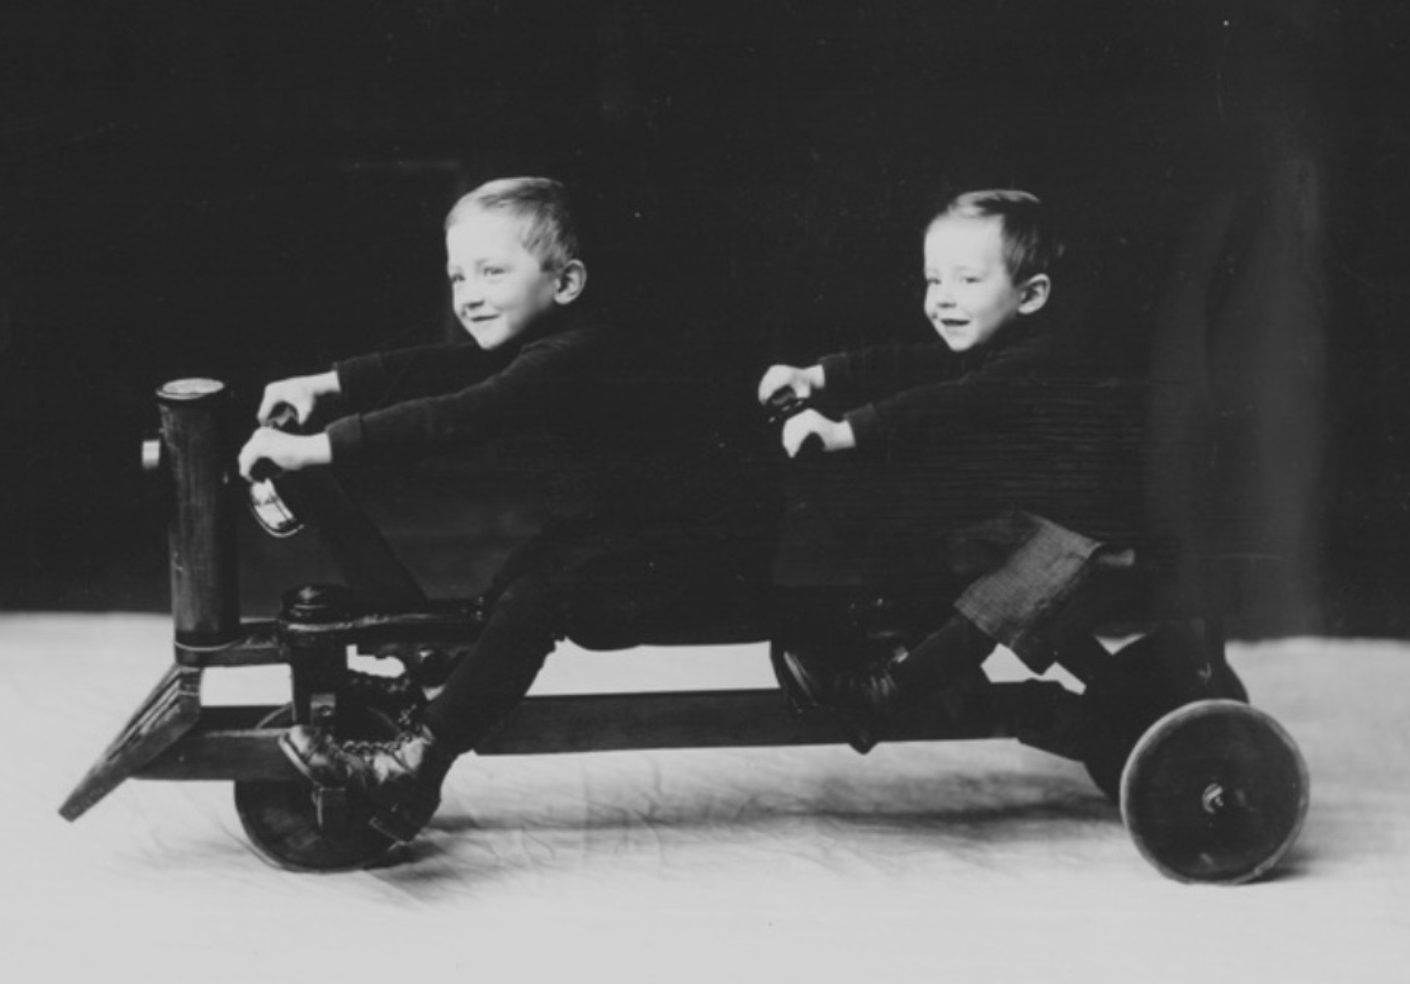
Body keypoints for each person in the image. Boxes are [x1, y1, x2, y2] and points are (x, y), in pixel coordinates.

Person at [237, 177, 778, 842]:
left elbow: (464, 412)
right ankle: (437, 695)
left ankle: (415, 765)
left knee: (539, 594)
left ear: (568, 282)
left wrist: (317, 448)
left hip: (709, 556)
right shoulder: (548, 338)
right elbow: (450, 368)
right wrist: (328, 382)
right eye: (458, 276)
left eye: (492, 272)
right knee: (523, 577)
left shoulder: (579, 350)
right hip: (642, 531)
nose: (469, 294)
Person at [758, 189, 1139, 742]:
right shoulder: (998, 338)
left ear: (1031, 295)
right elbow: (915, 362)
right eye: (934, 280)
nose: (941, 299)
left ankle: (889, 693)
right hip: (1045, 515)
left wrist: (845, 430)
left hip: (1096, 532)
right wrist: (818, 375)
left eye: (967, 280)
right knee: (947, 545)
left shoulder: (1043, 357)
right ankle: (906, 653)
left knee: (1002, 596)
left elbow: (954, 401)